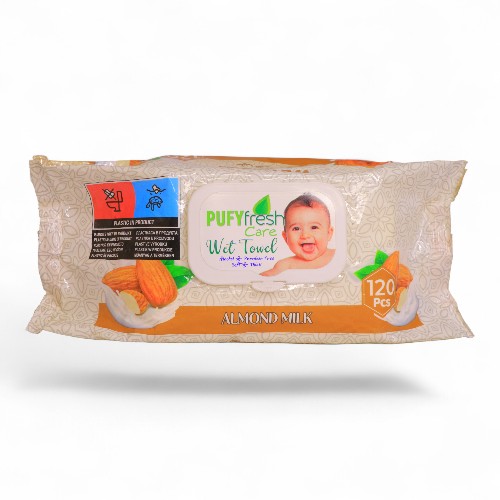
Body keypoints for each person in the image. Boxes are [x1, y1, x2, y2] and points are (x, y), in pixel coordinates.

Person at [260, 193, 335, 276]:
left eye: (314, 227)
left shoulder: (336, 256)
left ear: (329, 233)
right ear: (285, 237)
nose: (305, 235)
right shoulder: (286, 266)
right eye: (296, 228)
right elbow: (261, 278)